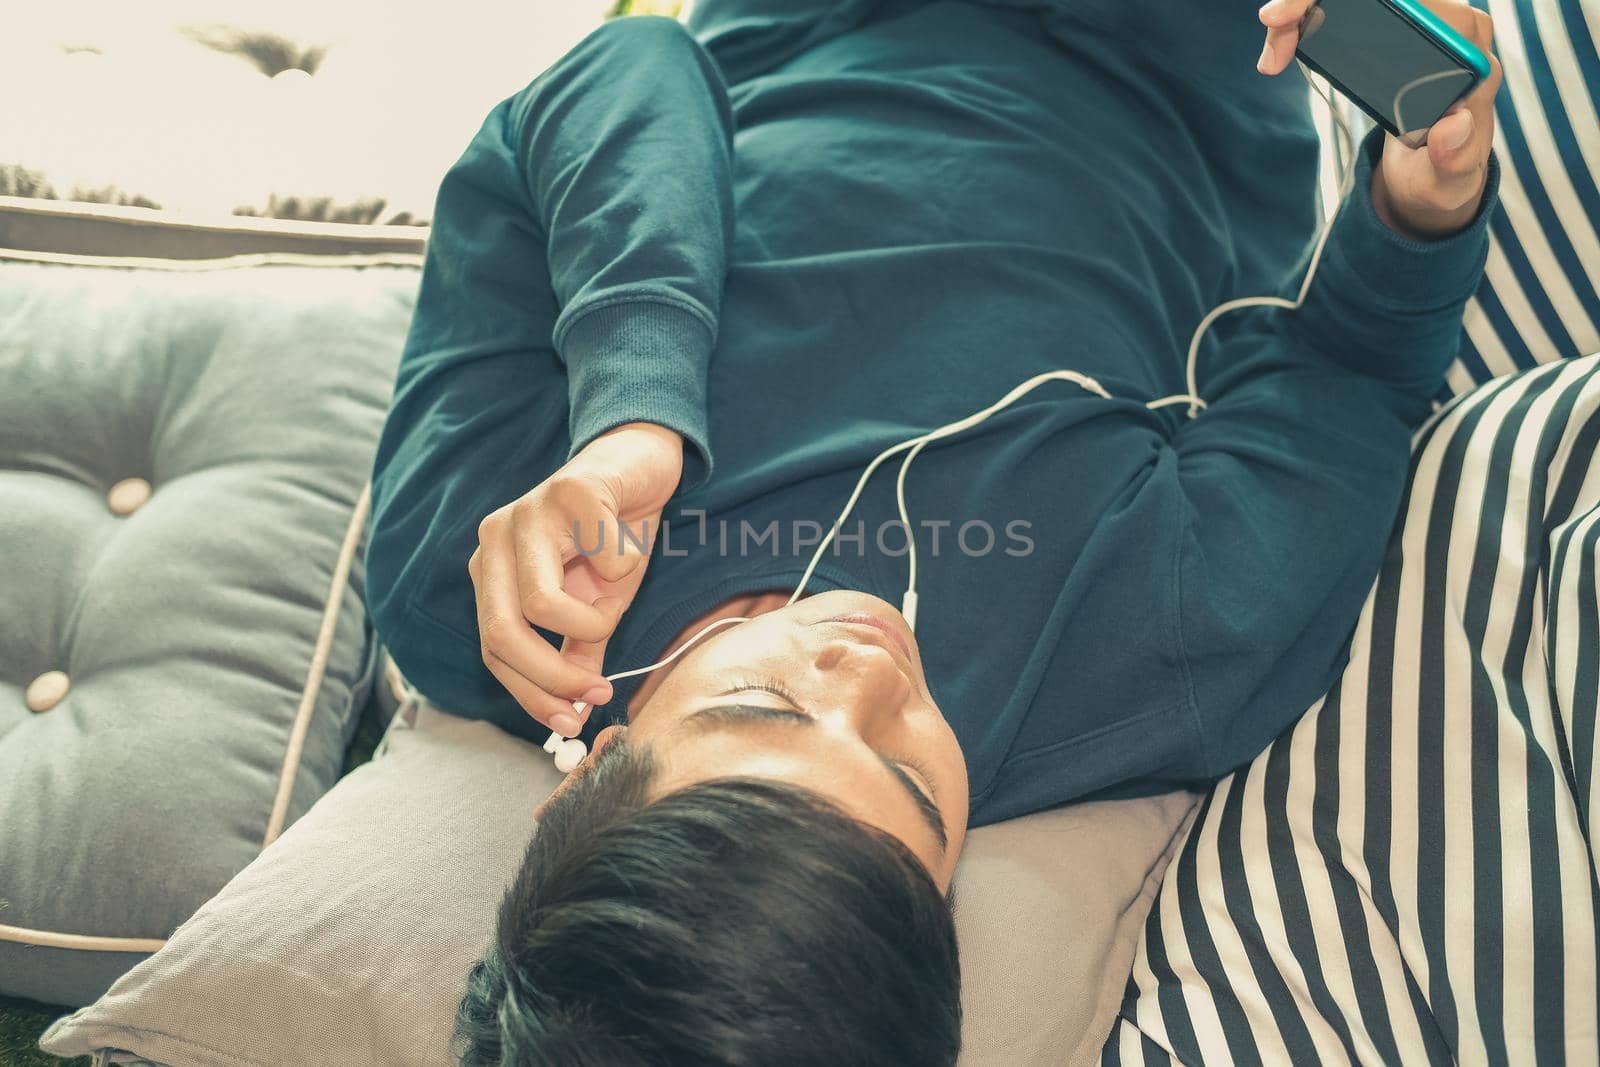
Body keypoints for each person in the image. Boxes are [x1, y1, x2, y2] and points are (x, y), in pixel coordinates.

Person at [364, 0, 1501, 1062]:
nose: (865, 672)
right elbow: (1349, 369)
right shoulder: (1156, 659)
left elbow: (630, 60)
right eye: (913, 780)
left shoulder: (473, 581)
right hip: (1173, 50)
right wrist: (1425, 194)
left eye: (761, 707)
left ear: (590, 772)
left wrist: (631, 407)